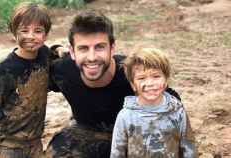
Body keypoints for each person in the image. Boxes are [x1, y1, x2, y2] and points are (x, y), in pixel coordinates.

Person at [45, 11, 181, 158]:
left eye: (99, 47)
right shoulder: (62, 70)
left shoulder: (133, 73)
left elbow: (172, 102)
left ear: (112, 48)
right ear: (72, 51)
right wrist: (55, 49)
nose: (92, 57)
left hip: (131, 136)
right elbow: (30, 65)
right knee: (58, 151)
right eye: (83, 48)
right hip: (86, 132)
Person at [0, 2, 52, 158]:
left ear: (45, 35)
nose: (31, 36)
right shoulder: (6, 69)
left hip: (35, 143)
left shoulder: (44, 54)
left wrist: (58, 48)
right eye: (24, 30)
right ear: (13, 33)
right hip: (8, 146)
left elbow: (54, 53)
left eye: (38, 31)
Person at [110, 47, 197, 158]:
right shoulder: (125, 116)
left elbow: (189, 148)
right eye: (142, 78)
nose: (150, 83)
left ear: (165, 81)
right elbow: (117, 153)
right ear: (133, 85)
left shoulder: (177, 112)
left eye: (156, 76)